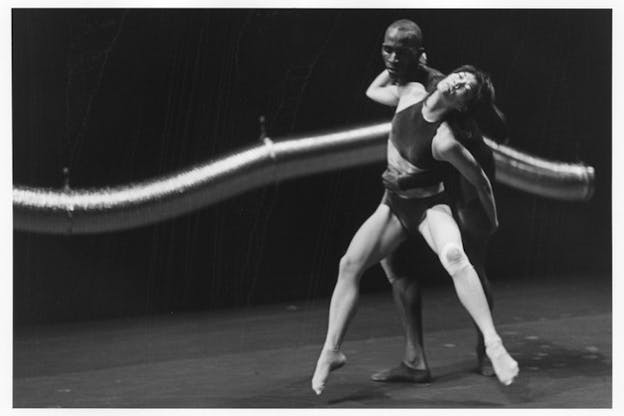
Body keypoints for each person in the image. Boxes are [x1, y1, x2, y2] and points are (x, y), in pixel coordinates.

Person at [310, 63, 519, 395]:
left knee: (455, 256)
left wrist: (492, 219)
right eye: (461, 75)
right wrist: (406, 63)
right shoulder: (409, 91)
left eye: (467, 87)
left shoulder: (445, 140)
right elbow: (372, 90)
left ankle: (493, 345)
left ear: (462, 105)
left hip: (428, 209)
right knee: (349, 264)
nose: (460, 81)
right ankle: (331, 350)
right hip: (393, 205)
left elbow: (480, 181)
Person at [366, 19, 502, 383]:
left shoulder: (439, 85)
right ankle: (414, 360)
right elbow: (377, 95)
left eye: (400, 52)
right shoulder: (406, 79)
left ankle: (486, 349)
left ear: (418, 54)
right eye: (387, 50)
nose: (392, 58)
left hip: (461, 177)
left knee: (468, 260)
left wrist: (481, 207)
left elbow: (460, 154)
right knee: (393, 260)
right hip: (415, 179)